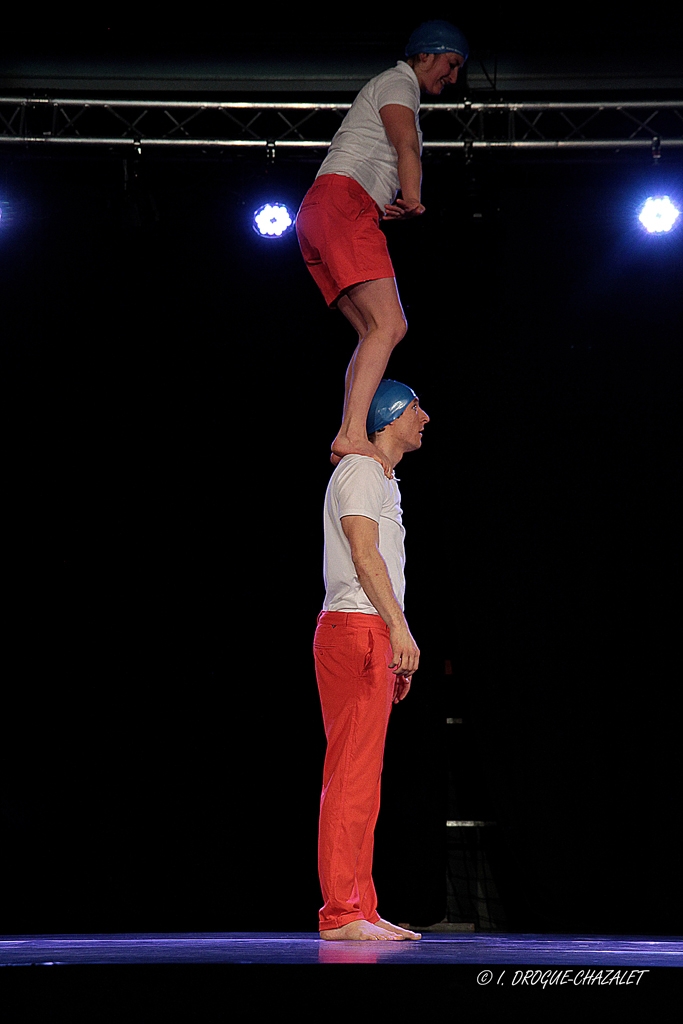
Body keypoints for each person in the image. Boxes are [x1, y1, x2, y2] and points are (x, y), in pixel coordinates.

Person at [296, 20, 467, 478]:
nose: (452, 78)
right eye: (451, 65)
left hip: (323, 211)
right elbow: (405, 142)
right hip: (342, 202)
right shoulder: (399, 82)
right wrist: (412, 198)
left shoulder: (396, 85)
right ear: (425, 54)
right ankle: (351, 432)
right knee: (391, 323)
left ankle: (348, 433)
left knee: (374, 329)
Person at [314, 378, 430, 940]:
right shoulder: (360, 471)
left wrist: (392, 644)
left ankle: (361, 907)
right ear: (386, 416)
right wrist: (397, 629)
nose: (425, 418)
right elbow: (363, 556)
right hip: (357, 629)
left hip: (371, 634)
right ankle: (341, 913)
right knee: (350, 776)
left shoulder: (383, 478)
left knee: (366, 779)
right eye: (415, 408)